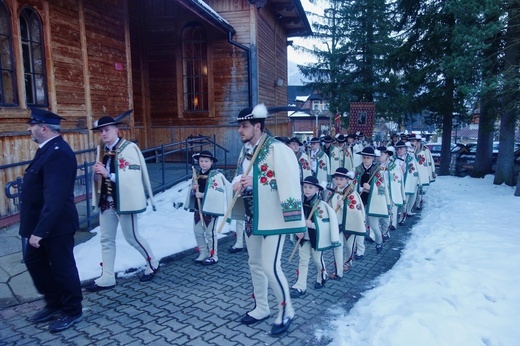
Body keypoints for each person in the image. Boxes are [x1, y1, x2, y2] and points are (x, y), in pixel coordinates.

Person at [231, 103, 306, 335]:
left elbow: (290, 183)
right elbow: (238, 176)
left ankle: (286, 310)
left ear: (258, 126)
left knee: (270, 266)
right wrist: (236, 185)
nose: (240, 130)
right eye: (239, 126)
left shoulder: (278, 149)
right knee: (254, 264)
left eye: (244, 126)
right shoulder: (245, 151)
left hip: (274, 218)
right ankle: (261, 307)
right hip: (252, 217)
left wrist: (296, 223)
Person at [20, 108, 83, 332]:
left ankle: (72, 309)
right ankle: (54, 302)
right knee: (34, 262)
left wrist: (40, 231)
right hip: (42, 223)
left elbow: (55, 196)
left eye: (32, 125)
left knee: (62, 268)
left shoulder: (58, 153)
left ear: (44, 128)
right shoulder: (47, 149)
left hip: (55, 226)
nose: (29, 128)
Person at [86, 114, 159, 292]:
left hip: (125, 202)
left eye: (107, 130)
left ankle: (152, 261)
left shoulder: (129, 148)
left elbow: (133, 176)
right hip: (107, 201)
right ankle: (107, 276)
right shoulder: (102, 151)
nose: (103, 134)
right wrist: (96, 174)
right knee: (106, 239)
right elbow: (101, 177)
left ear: (116, 130)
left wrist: (107, 174)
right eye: (101, 131)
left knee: (131, 237)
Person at [290, 176, 340, 298]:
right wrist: (297, 230)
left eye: (310, 187)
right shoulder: (299, 202)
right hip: (303, 238)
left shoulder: (321, 205)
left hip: (315, 238)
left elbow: (324, 223)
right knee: (303, 261)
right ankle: (300, 286)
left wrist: (311, 224)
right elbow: (295, 218)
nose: (306, 190)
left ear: (317, 189)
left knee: (317, 260)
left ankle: (322, 275)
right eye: (305, 187)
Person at [185, 150, 230, 265]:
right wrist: (193, 190)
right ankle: (203, 252)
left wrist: (203, 195)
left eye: (206, 161)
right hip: (198, 209)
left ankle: (213, 255)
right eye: (201, 161)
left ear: (211, 162)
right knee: (198, 232)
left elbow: (217, 193)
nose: (203, 163)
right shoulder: (197, 175)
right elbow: (192, 192)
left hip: (210, 210)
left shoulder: (216, 176)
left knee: (210, 233)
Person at [328, 168, 365, 279]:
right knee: (338, 248)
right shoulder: (332, 193)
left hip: (349, 225)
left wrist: (343, 206)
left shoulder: (352, 194)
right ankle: (338, 272)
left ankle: (348, 262)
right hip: (337, 226)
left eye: (341, 179)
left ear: (347, 180)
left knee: (349, 246)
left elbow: (356, 211)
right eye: (336, 179)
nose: (338, 181)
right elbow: (329, 206)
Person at [355, 146, 387, 254]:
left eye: (368, 157)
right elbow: (353, 184)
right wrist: (359, 188)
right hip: (360, 201)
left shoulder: (377, 171)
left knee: (374, 227)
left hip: (373, 202)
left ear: (373, 158)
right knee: (360, 226)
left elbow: (381, 188)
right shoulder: (358, 169)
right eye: (364, 157)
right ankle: (360, 250)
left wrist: (371, 188)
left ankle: (379, 241)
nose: (366, 159)